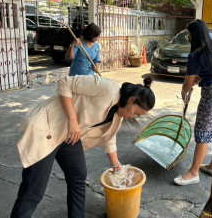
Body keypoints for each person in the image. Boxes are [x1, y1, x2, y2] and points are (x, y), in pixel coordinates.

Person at [11, 75, 155, 218]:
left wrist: (116, 165)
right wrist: (72, 120)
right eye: (135, 112)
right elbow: (65, 83)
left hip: (69, 136)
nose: (133, 117)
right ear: (132, 100)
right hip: (48, 127)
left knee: (78, 177)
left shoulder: (118, 116)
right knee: (34, 190)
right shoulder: (107, 89)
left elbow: (109, 138)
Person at [173, 19, 212, 186]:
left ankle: (193, 173)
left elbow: (187, 83)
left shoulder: (195, 55)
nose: (188, 37)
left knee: (203, 131)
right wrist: (202, 77)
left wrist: (184, 93)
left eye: (188, 35)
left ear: (194, 35)